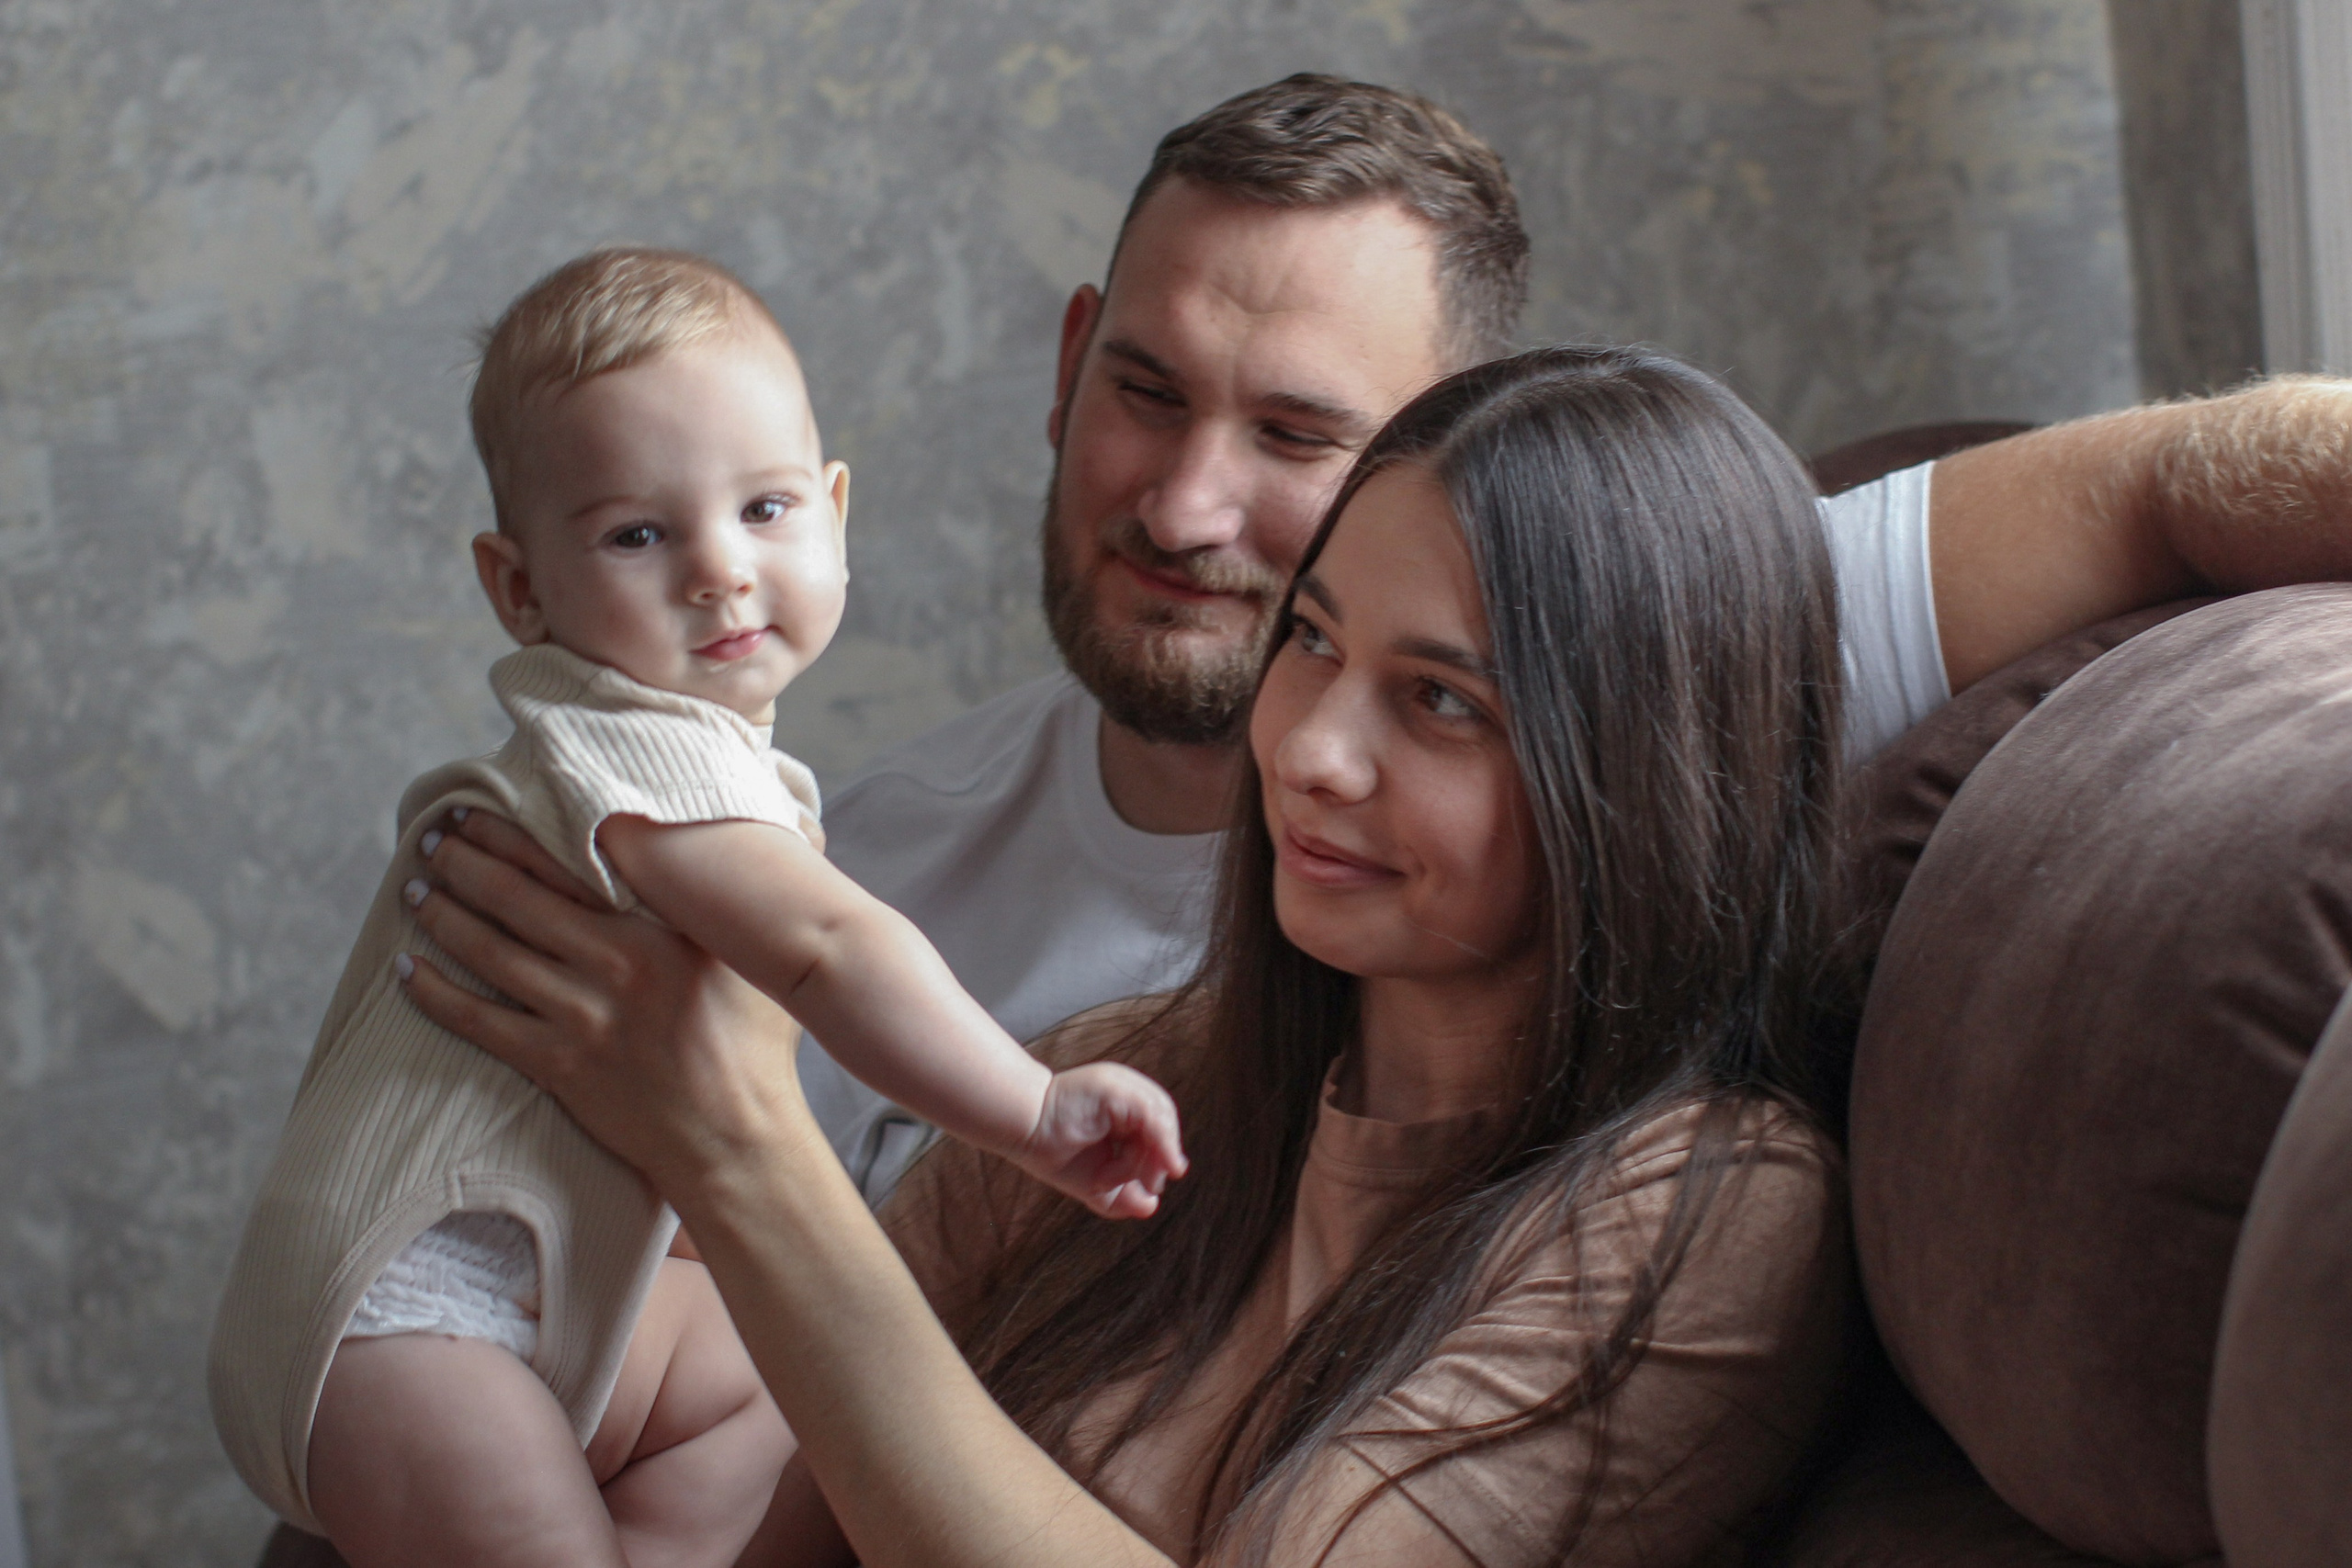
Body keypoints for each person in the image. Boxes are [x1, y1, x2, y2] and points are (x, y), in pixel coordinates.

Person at [401, 344, 1855, 1564]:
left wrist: (739, 1143)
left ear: (1655, 779)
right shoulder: (1135, 1078)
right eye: (1313, 644)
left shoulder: (1714, 1214)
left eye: (1442, 703)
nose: (1311, 753)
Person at [800, 72, 2352, 1202]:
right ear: (1073, 364)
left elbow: (2178, 483)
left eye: (1293, 434)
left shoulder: (1649, 673)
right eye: (1148, 393)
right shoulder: (845, 870)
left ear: (1457, 452)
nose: (1188, 503)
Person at [210, 248, 1184, 1568]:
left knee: (758, 1378)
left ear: (837, 510)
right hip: (412, 1311)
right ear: (520, 589)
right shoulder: (624, 745)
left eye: (766, 510)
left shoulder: (704, 757)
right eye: (638, 533)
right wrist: (1031, 1109)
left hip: (535, 1286)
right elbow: (829, 944)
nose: (720, 571)